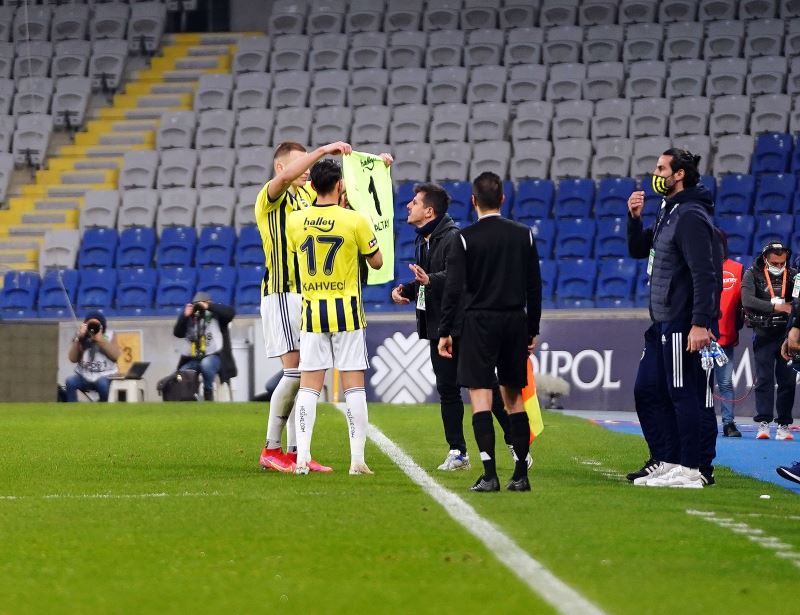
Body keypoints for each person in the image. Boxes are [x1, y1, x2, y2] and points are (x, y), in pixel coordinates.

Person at [391, 183, 527, 472]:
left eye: (414, 202)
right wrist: (407, 289)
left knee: (485, 385)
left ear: (429, 211)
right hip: (437, 325)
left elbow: (458, 278)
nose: (408, 206)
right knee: (448, 390)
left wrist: (428, 282)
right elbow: (430, 280)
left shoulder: (454, 238)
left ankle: (517, 442)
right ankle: (458, 452)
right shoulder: (423, 239)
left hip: (463, 325)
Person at [438, 172, 542, 492]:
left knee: (481, 398)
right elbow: (534, 287)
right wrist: (532, 329)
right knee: (513, 401)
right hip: (514, 321)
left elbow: (453, 290)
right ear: (502, 199)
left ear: (473, 201)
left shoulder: (464, 238)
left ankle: (490, 474)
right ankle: (521, 475)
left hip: (478, 323)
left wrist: (445, 331)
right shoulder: (523, 234)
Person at [625, 148, 722, 489]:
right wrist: (634, 219)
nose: (656, 174)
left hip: (682, 321)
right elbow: (641, 250)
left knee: (684, 394)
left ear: (679, 174)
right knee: (648, 389)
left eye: (661, 168)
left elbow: (705, 273)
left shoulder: (691, 215)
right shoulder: (670, 210)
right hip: (661, 321)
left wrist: (700, 322)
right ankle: (667, 459)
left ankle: (692, 468)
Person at [255, 140, 354, 473]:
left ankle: (299, 453)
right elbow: (286, 181)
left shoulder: (305, 197)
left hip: (308, 294)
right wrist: (322, 150)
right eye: (301, 164)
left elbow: (338, 197)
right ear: (282, 168)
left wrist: (374, 169)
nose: (308, 170)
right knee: (295, 372)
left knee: (310, 374)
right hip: (282, 294)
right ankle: (271, 448)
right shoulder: (272, 196)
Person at [285, 158, 384, 475]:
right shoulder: (355, 220)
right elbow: (378, 262)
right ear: (340, 185)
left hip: (313, 313)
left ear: (312, 185)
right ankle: (357, 460)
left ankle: (302, 458)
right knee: (354, 387)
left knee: (309, 388)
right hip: (348, 313)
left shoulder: (295, 222)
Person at [741, 241, 797, 441]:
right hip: (763, 333)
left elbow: (796, 302)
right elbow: (747, 300)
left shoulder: (792, 275)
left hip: (787, 334)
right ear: (765, 259)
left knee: (788, 381)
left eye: (782, 262)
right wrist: (777, 307)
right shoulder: (752, 274)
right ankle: (763, 423)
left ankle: (784, 425)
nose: (779, 266)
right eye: (775, 262)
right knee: (764, 379)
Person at [173, 291, 236, 401]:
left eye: (202, 303)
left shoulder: (217, 315)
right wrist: (184, 316)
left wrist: (209, 306)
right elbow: (177, 333)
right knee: (183, 372)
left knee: (206, 364)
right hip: (194, 358)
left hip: (216, 357)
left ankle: (208, 391)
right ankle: (188, 397)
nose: (199, 307)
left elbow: (230, 313)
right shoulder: (191, 318)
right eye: (196, 304)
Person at [715, 230, 744, 438]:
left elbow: (743, 304)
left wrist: (737, 327)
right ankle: (700, 421)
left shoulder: (737, 269)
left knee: (725, 383)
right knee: (699, 384)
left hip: (725, 338)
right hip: (699, 338)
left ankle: (728, 423)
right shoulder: (697, 267)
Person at [65, 311, 121, 402]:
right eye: (90, 325)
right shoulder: (80, 337)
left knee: (102, 384)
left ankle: (103, 409)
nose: (93, 328)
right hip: (84, 375)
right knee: (70, 381)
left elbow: (115, 356)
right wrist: (79, 339)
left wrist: (100, 340)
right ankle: (72, 410)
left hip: (105, 375)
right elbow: (73, 359)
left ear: (102, 326)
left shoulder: (110, 335)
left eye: (96, 325)